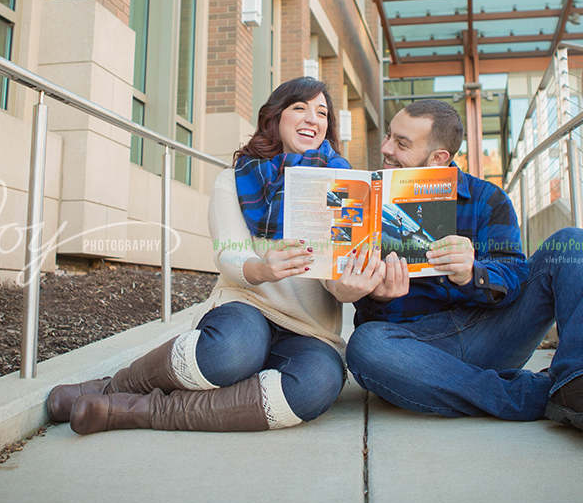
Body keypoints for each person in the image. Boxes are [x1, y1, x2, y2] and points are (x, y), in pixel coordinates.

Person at [46, 77, 388, 434]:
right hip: (247, 304)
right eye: (299, 108)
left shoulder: (345, 186)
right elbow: (230, 253)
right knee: (233, 352)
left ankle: (135, 411)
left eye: (322, 113)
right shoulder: (235, 179)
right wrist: (261, 269)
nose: (312, 119)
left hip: (310, 330)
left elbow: (337, 279)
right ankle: (114, 387)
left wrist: (349, 290)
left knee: (318, 383)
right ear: (275, 118)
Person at [345, 99, 583, 446]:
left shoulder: (488, 199)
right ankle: (558, 391)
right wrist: (376, 297)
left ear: (439, 158)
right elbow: (370, 314)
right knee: (365, 347)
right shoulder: (366, 200)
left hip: (490, 331)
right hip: (414, 350)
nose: (385, 149)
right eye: (388, 137)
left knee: (575, 243)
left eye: (401, 143)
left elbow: (515, 272)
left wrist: (473, 274)